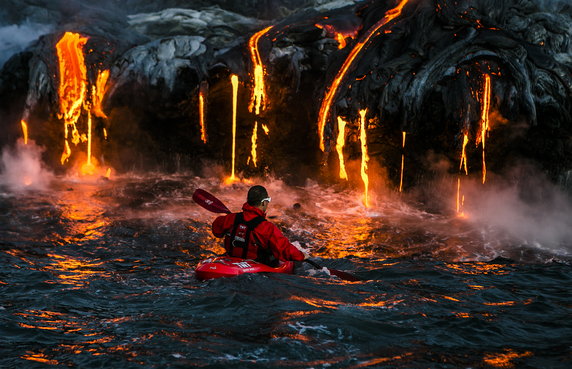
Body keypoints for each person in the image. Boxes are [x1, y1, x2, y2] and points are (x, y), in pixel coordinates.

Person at [211, 185, 309, 266]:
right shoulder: (266, 227)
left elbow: (216, 231)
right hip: (254, 267)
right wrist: (301, 256)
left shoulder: (231, 218)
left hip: (230, 262)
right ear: (263, 202)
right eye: (268, 200)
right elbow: (283, 248)